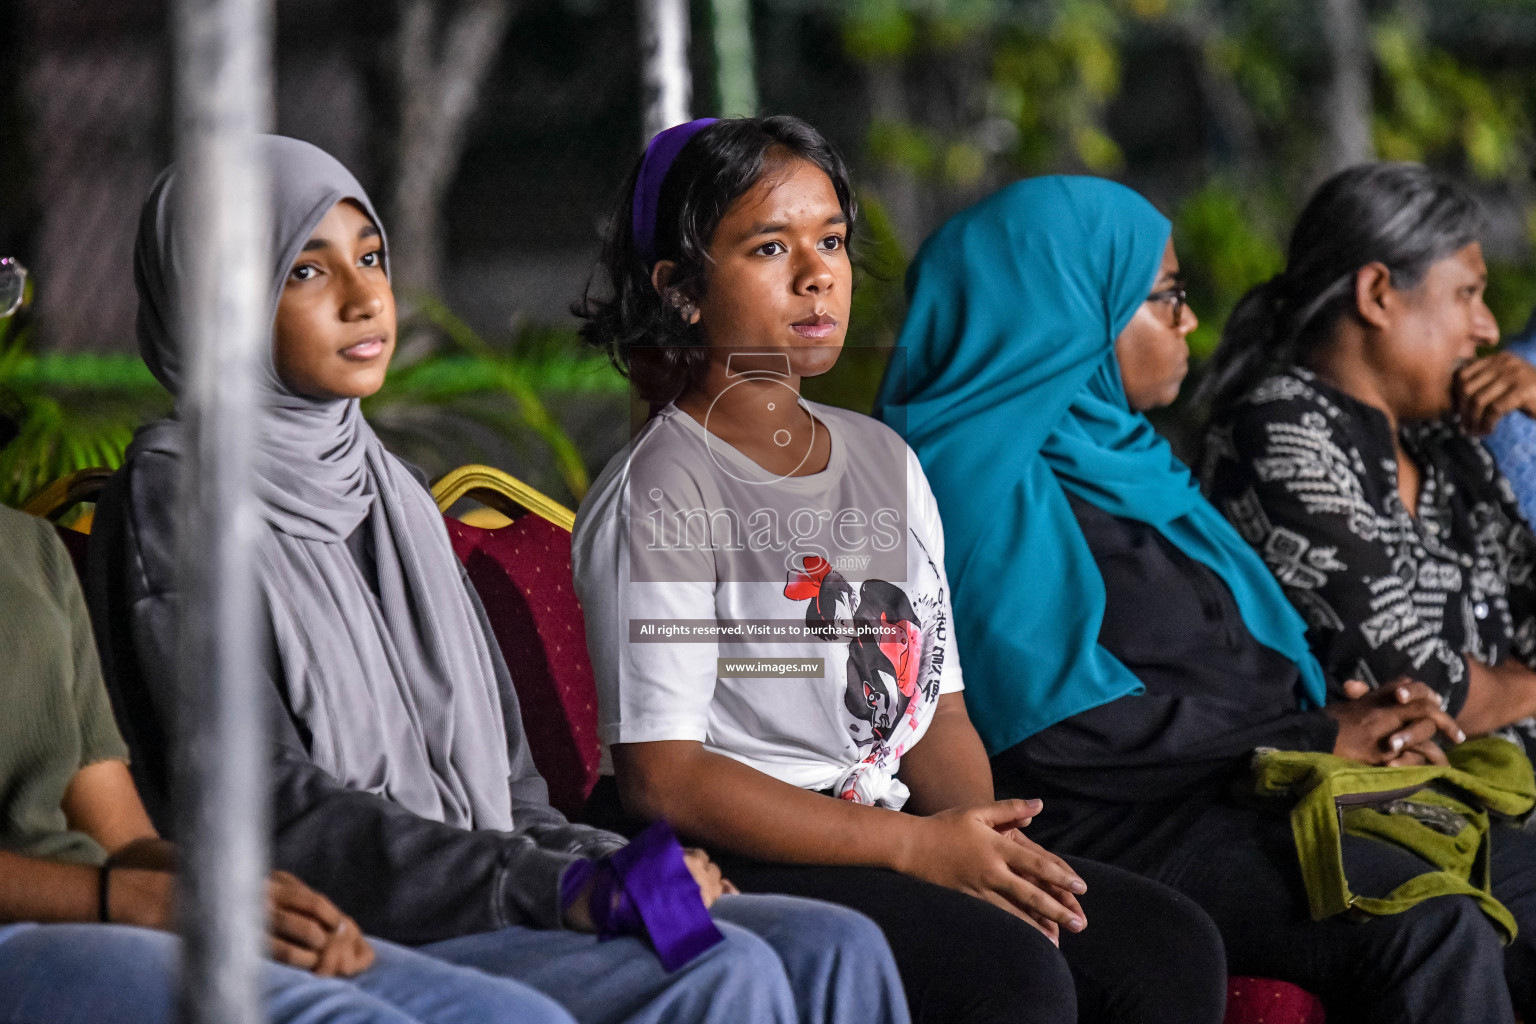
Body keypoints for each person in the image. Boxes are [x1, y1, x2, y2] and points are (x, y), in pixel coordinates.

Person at [88, 134, 906, 1024]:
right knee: (720, 971)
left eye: (371, 259)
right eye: (305, 273)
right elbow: (273, 806)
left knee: (836, 946)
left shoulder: (386, 490)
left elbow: (513, 792)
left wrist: (618, 867)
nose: (367, 299)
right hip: (363, 920)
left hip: (500, 883)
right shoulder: (180, 494)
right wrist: (561, 887)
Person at [571, 116, 1227, 1024]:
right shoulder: (665, 489)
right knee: (1011, 975)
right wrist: (918, 854)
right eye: (769, 247)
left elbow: (938, 711)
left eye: (831, 240)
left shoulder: (882, 460)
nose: (817, 275)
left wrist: (985, 852)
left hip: (892, 826)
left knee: (1167, 944)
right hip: (755, 848)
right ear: (680, 289)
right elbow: (666, 778)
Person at [872, 172, 1536, 1024]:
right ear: (1075, 311)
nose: (1189, 322)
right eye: (1166, 297)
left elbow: (1223, 665)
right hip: (1128, 825)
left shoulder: (1136, 466)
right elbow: (1060, 737)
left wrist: (1355, 714)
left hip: (1252, 786)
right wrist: (1318, 731)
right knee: (1426, 923)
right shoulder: (972, 484)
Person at [0, 499, 585, 1024]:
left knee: (508, 1014)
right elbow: (268, 795)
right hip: (48, 923)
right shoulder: (175, 504)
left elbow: (122, 837)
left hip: (112, 912)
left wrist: (244, 894)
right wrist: (131, 900)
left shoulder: (31, 550)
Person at [1200, 162, 1536, 760]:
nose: (1487, 329)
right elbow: (1417, 678)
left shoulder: (1448, 451)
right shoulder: (1280, 428)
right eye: (1467, 293)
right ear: (1377, 294)